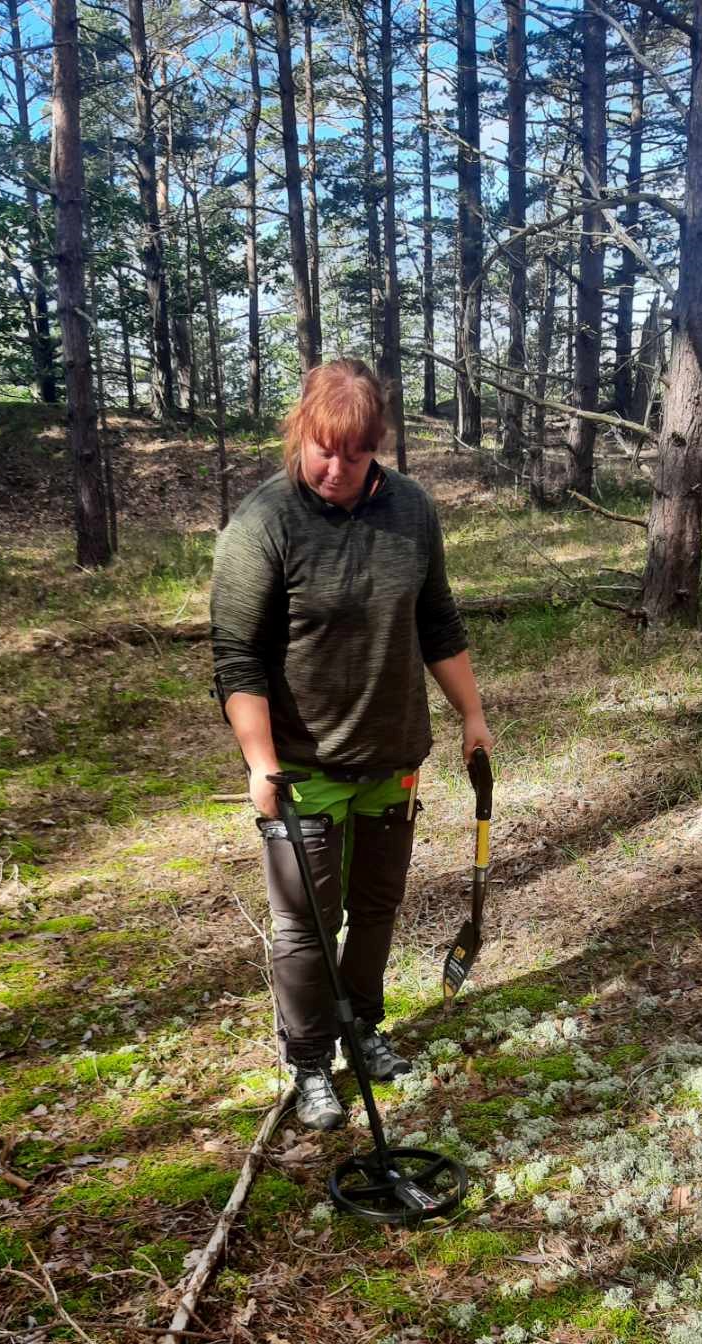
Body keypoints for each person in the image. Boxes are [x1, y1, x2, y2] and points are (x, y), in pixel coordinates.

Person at [210, 358, 493, 1130]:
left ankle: (362, 1026)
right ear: (300, 434)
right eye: (323, 450)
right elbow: (236, 657)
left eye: (357, 454)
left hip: (391, 753)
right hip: (302, 766)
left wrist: (470, 714)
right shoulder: (263, 523)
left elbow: (437, 621)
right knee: (306, 922)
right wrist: (261, 762)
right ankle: (308, 1062)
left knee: (376, 907)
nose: (336, 469)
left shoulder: (411, 511)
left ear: (378, 447)